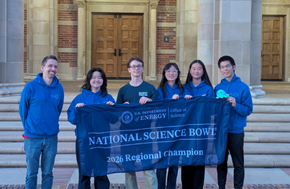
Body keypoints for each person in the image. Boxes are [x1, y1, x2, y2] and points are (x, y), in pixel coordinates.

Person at [19, 55, 64, 189]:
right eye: (50, 66)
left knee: (48, 174)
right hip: (33, 138)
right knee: (31, 174)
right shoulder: (30, 86)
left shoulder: (59, 88)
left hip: (51, 137)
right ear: (42, 67)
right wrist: (31, 127)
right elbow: (23, 110)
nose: (53, 69)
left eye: (55, 66)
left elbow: (58, 109)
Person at [67, 68, 115, 189]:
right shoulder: (80, 98)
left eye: (99, 77)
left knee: (102, 172)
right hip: (84, 140)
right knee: (84, 172)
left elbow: (114, 120)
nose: (96, 80)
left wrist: (112, 109)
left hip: (102, 141)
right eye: (94, 77)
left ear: (103, 80)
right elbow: (72, 119)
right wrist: (77, 110)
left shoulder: (108, 98)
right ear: (89, 80)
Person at [116, 56, 158, 189]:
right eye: (133, 66)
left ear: (143, 69)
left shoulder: (150, 88)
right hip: (127, 134)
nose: (136, 68)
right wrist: (123, 107)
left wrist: (150, 101)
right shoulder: (123, 90)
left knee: (149, 167)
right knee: (129, 168)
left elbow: (159, 110)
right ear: (129, 70)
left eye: (139, 66)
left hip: (145, 134)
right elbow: (116, 114)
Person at [215, 55, 253, 189]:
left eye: (227, 66)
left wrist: (236, 104)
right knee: (221, 162)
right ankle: (221, 187)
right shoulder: (218, 88)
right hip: (222, 132)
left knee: (238, 164)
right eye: (222, 67)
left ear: (234, 67)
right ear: (220, 70)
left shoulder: (243, 87)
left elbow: (248, 109)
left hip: (236, 131)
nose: (225, 69)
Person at [156, 63, 191, 189]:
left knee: (174, 164)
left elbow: (188, 109)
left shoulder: (183, 90)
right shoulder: (159, 90)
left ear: (178, 73)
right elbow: (158, 109)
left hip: (178, 131)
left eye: (174, 71)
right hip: (163, 131)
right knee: (162, 162)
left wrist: (187, 99)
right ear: (164, 74)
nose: (171, 74)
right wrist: (172, 100)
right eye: (168, 71)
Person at [181, 59, 215, 189]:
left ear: (203, 71)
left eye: (199, 68)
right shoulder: (183, 88)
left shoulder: (208, 89)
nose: (196, 71)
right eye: (194, 68)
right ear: (190, 71)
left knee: (199, 161)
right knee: (186, 161)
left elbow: (212, 111)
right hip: (186, 131)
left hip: (201, 131)